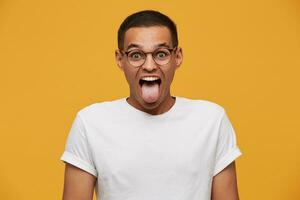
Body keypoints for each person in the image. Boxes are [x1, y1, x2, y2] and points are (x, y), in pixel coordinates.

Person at [60, 10, 242, 200]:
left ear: (177, 56)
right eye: (136, 55)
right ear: (120, 59)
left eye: (161, 54)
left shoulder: (211, 120)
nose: (149, 65)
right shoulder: (90, 123)